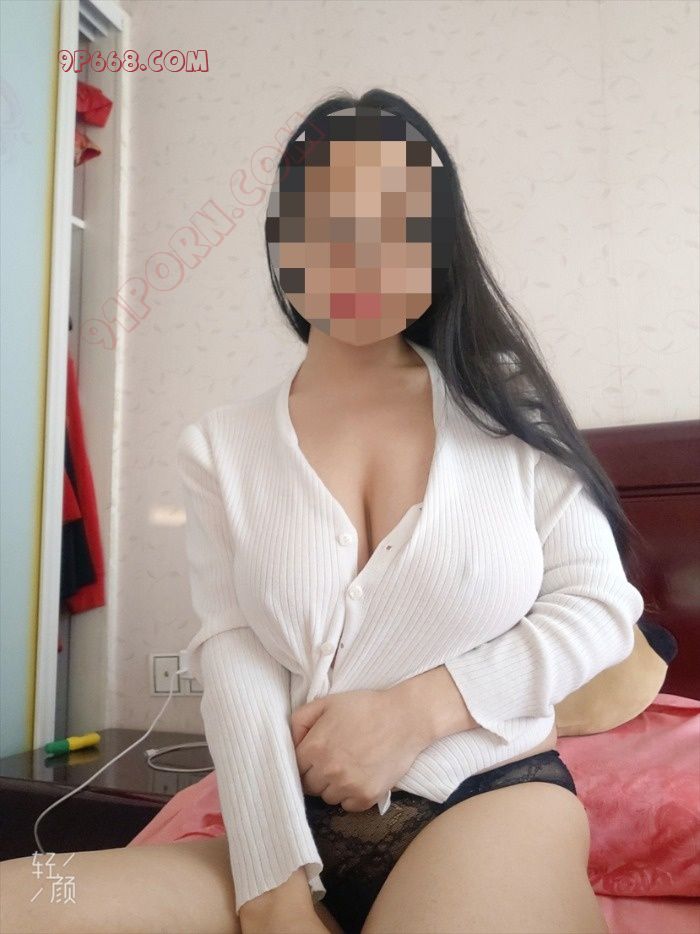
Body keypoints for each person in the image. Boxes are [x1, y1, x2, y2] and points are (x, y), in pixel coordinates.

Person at [0, 89, 646, 934]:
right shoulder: (221, 447)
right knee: (21, 901)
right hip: (294, 836)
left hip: (490, 797)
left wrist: (419, 709)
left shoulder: (506, 415)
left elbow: (598, 607)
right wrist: (273, 895)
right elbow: (235, 657)